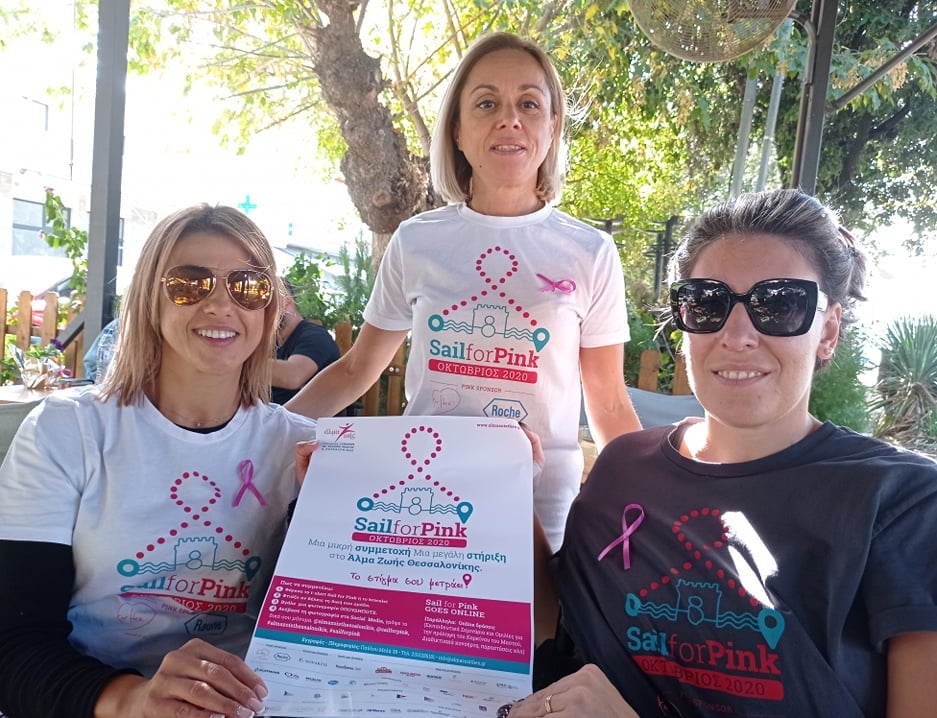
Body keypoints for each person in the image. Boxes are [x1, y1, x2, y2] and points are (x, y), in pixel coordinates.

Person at [508, 189, 937, 717]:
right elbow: (554, 624)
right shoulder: (622, 471)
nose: (738, 334)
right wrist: (508, 492)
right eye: (707, 303)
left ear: (828, 330)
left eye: (781, 304)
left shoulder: (914, 507)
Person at [287, 31, 641, 550]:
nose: (509, 119)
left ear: (552, 125)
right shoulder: (416, 241)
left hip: (540, 515)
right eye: (486, 103)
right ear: (456, 129)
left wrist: (653, 500)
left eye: (529, 104)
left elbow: (607, 403)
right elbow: (356, 369)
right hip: (420, 504)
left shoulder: (589, 252)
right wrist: (264, 435)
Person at [0, 204, 317, 718]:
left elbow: (327, 626)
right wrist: (136, 700)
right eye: (190, 284)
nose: (221, 304)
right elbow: (15, 644)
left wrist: (318, 515)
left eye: (248, 286)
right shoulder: (68, 431)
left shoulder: (302, 451)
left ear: (268, 309)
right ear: (150, 298)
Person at [270, 277, 340, 404]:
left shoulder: (316, 336)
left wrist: (241, 365)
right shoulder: (272, 342)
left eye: (267, 304)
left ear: (287, 302)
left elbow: (293, 376)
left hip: (310, 416)